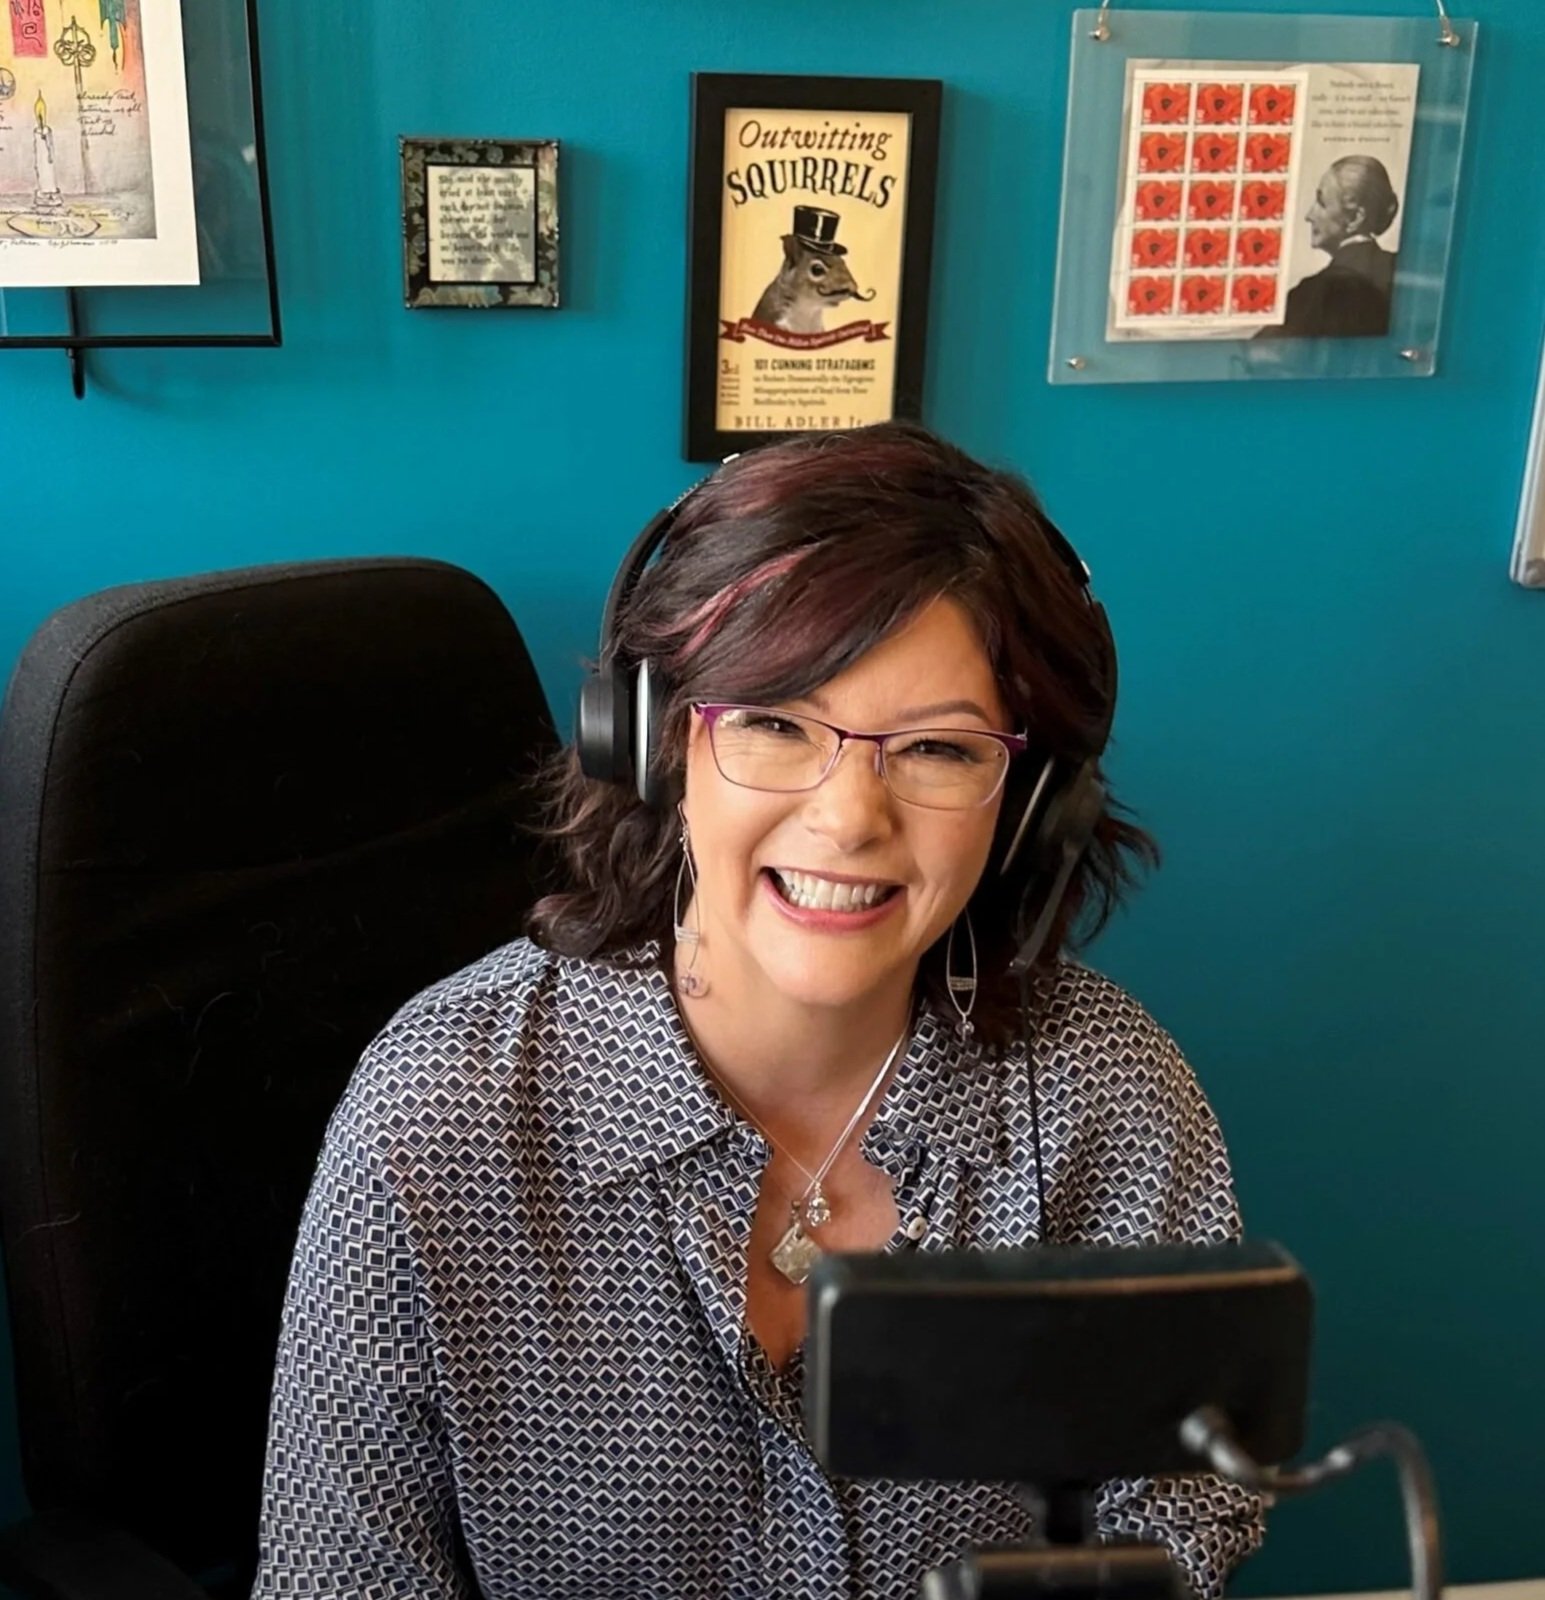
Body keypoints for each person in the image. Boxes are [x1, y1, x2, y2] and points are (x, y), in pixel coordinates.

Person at [251, 423, 1265, 1600]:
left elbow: (1182, 1512)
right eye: (776, 722)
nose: (846, 820)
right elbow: (344, 1577)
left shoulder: (1107, 1095)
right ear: (656, 740)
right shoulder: (440, 1112)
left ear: (1035, 806)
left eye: (936, 749)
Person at [1273, 154, 1400, 338]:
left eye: (1321, 203)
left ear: (1355, 218)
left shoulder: (1311, 295)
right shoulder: (1402, 271)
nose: (1309, 215)